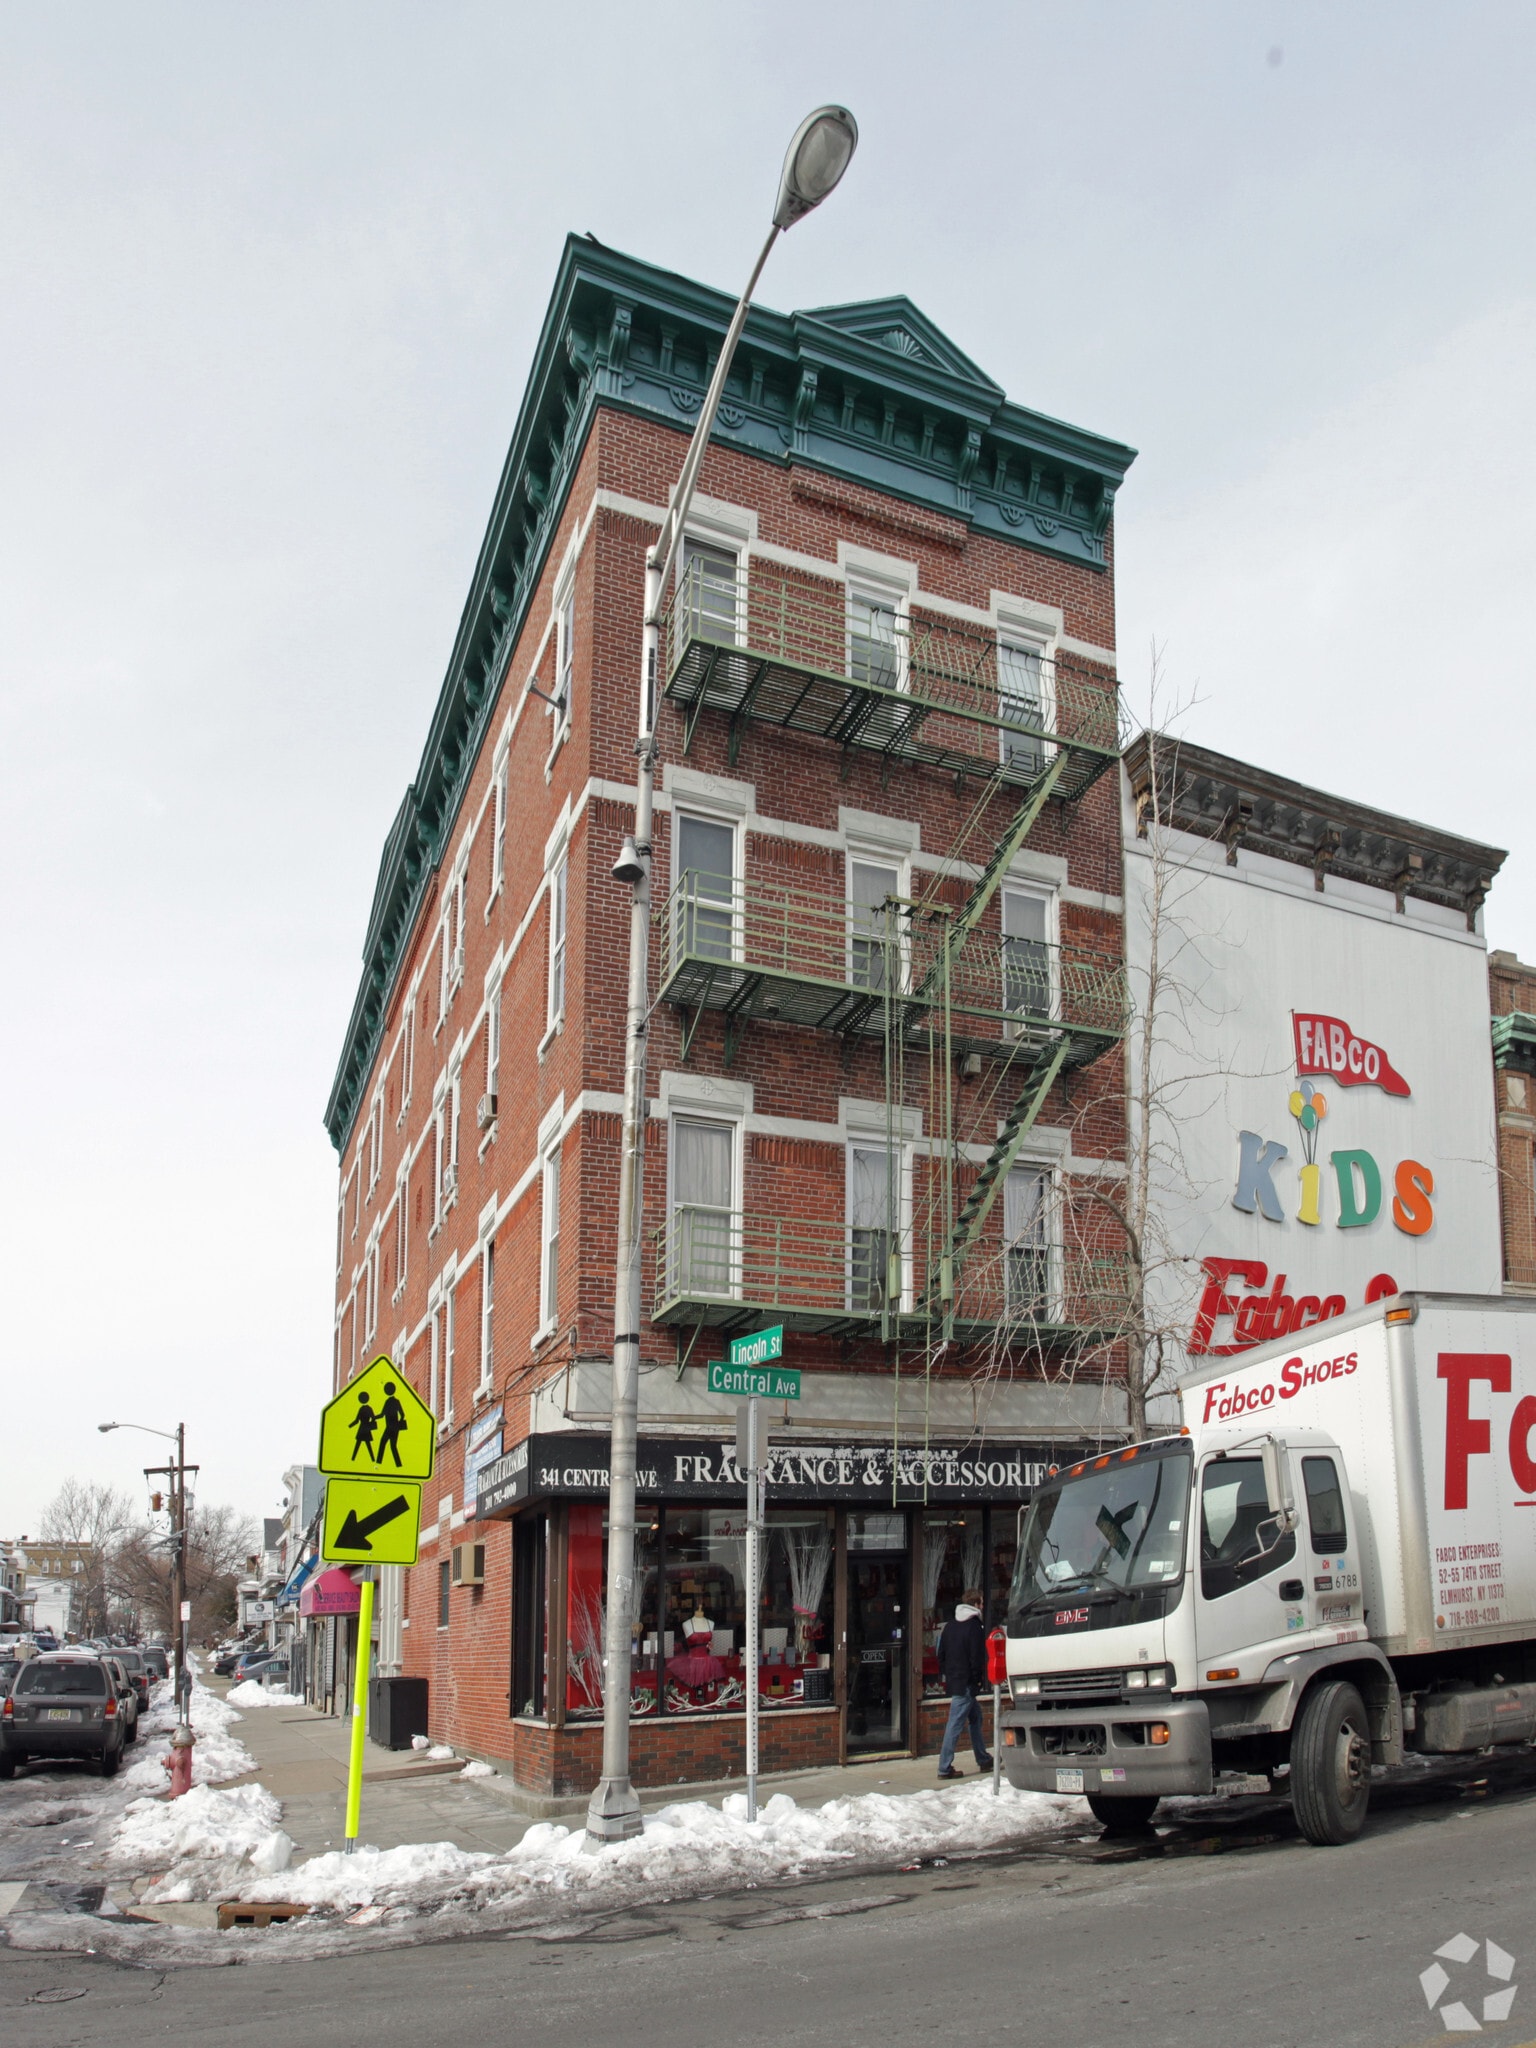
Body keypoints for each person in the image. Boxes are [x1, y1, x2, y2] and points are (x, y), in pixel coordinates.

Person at [935, 1589, 993, 1779]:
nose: (983, 1606)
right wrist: (977, 1680)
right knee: (955, 1723)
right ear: (975, 1605)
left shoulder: (950, 1626)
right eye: (981, 1603)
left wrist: (949, 1673)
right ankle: (944, 1767)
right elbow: (977, 1657)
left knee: (976, 1718)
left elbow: (940, 1655)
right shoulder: (974, 1626)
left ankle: (983, 1759)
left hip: (955, 1680)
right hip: (967, 1682)